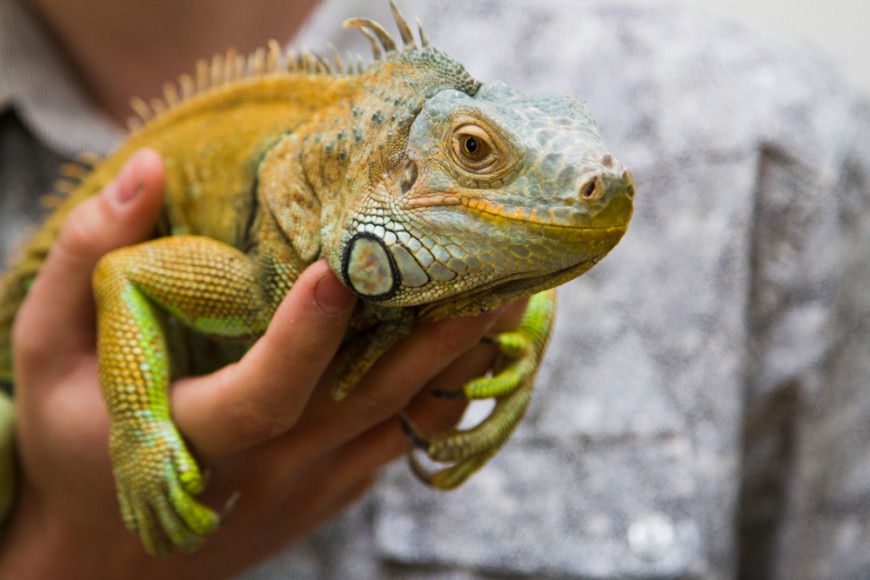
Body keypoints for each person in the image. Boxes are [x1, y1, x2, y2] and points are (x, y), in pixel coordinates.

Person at [1, 0, 868, 578]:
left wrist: (525, 325)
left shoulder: (777, 137)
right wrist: (100, 501)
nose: (598, 186)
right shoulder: (263, 278)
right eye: (475, 155)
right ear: (389, 174)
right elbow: (127, 274)